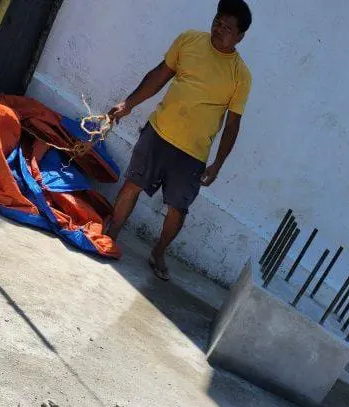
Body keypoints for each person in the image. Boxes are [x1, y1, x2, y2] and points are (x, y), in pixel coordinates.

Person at [106, 0, 252, 280]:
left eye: (227, 28)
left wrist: (217, 165)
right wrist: (128, 104)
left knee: (178, 210)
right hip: (158, 133)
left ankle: (158, 252)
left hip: (192, 155)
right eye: (217, 22)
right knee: (132, 185)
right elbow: (159, 76)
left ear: (240, 37)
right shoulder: (189, 40)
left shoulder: (241, 77)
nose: (219, 29)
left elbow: (233, 124)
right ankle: (111, 233)